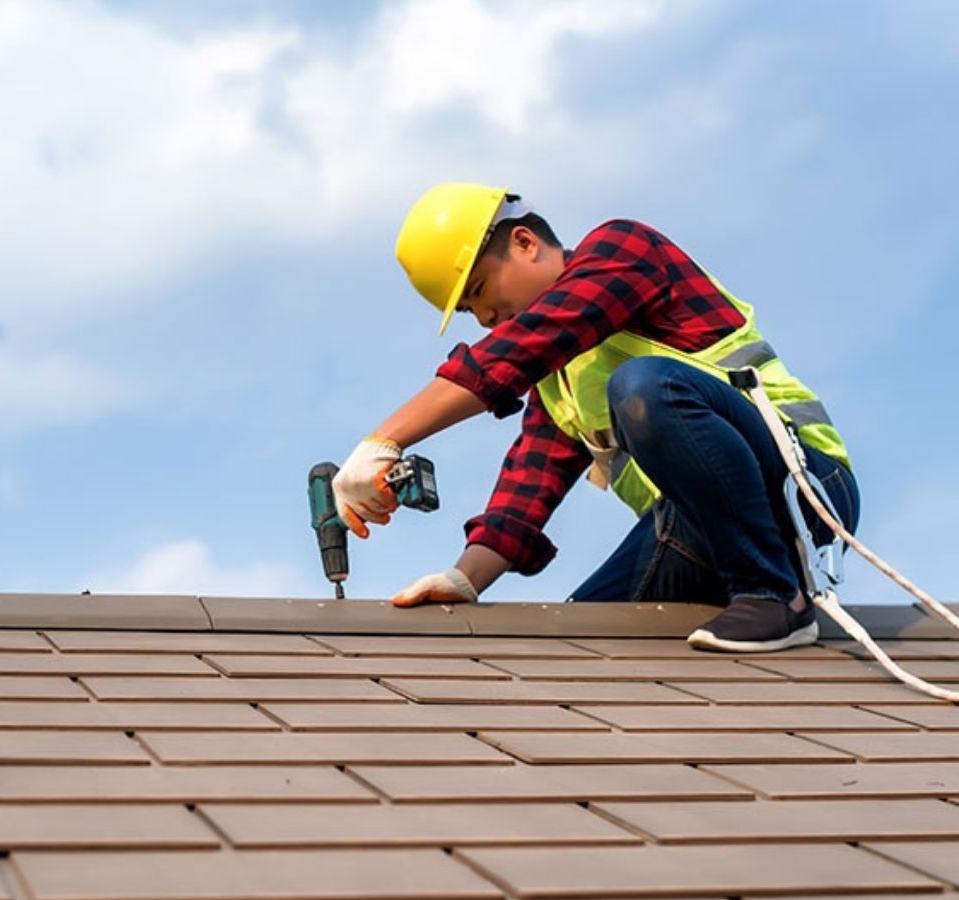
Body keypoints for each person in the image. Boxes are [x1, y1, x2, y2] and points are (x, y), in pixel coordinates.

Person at [331, 183, 860, 652]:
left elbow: (520, 351)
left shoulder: (623, 249)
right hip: (698, 529)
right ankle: (753, 596)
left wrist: (384, 440)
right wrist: (463, 579)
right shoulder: (560, 381)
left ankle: (774, 598)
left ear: (525, 242)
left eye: (479, 291)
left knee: (646, 388)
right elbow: (528, 482)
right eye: (471, 312)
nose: (486, 318)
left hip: (803, 488)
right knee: (578, 644)